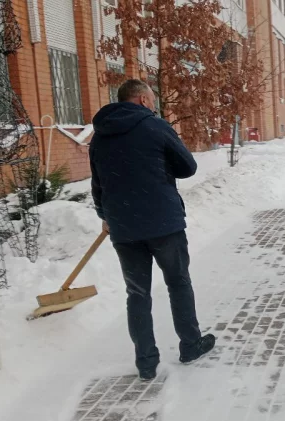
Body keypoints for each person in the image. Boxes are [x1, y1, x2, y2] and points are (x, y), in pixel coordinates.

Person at [90, 79, 216, 380]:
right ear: (143, 100)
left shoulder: (99, 136)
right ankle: (190, 344)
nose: (154, 104)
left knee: (137, 293)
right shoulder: (155, 127)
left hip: (123, 226)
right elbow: (188, 167)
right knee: (178, 283)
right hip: (163, 224)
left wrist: (104, 214)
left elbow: (97, 184)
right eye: (152, 99)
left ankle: (146, 362)